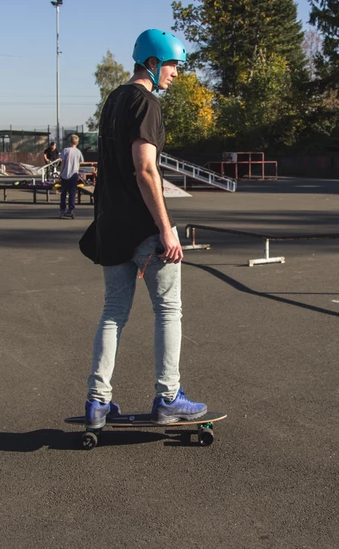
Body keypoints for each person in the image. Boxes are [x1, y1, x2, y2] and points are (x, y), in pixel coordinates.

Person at [80, 29, 207, 428]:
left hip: (110, 226)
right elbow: (145, 167)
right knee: (168, 311)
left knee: (113, 313)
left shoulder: (113, 101)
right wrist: (167, 229)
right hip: (145, 229)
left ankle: (97, 402)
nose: (175, 73)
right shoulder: (146, 102)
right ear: (152, 63)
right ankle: (168, 397)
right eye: (171, 65)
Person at [58, 134, 84, 219]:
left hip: (65, 174)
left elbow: (62, 163)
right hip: (74, 174)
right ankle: (71, 209)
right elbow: (81, 162)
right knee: (72, 193)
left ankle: (62, 209)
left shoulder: (65, 150)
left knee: (63, 193)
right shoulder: (78, 151)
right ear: (77, 143)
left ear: (69, 141)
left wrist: (60, 174)